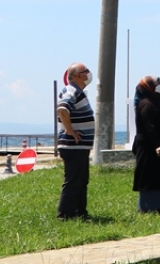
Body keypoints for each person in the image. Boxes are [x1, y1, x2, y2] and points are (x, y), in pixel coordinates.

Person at [56, 62, 95, 220]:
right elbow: (62, 109)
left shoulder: (78, 91)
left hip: (79, 146)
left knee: (81, 180)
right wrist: (70, 130)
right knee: (73, 181)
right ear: (77, 75)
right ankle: (65, 214)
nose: (89, 74)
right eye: (86, 71)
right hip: (73, 146)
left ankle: (79, 212)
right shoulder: (71, 90)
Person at [132, 75, 160, 213]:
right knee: (150, 178)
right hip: (150, 150)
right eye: (155, 84)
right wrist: (157, 145)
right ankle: (148, 207)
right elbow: (148, 127)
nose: (158, 86)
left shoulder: (154, 103)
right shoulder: (147, 105)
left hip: (159, 151)